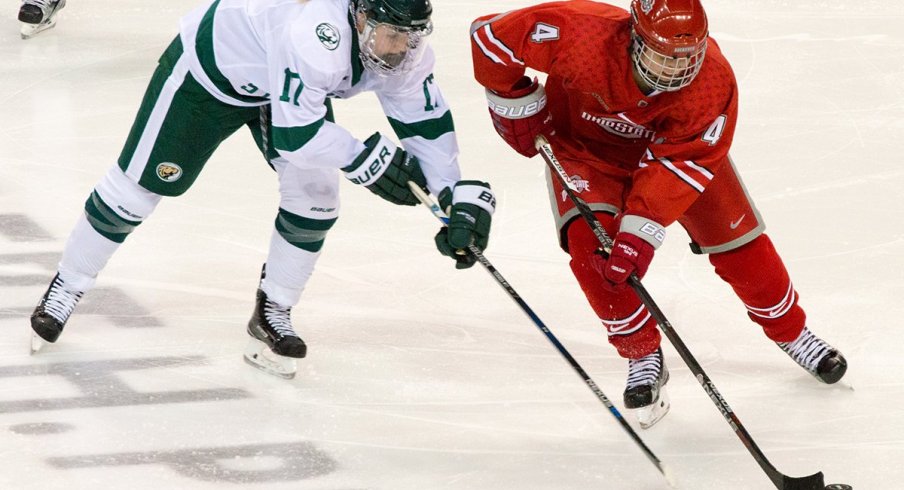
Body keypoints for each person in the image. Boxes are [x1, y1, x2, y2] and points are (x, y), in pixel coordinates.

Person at [29, 0, 496, 379]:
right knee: (135, 193)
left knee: (316, 201)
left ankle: (272, 311)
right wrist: (366, 162)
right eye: (391, 34)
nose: (399, 49)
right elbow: (299, 135)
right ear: (359, 15)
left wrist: (453, 196)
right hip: (209, 77)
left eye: (411, 37)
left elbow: (425, 121)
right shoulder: (318, 36)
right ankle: (67, 285)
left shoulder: (403, 49)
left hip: (288, 91)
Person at [469, 0, 846, 428]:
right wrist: (513, 98)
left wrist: (639, 233)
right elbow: (489, 38)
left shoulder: (712, 82)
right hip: (585, 152)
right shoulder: (581, 34)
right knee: (592, 252)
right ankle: (643, 353)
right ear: (634, 38)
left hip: (678, 158)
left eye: (688, 57)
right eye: (664, 56)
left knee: (739, 243)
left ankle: (793, 332)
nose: (677, 70)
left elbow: (684, 163)